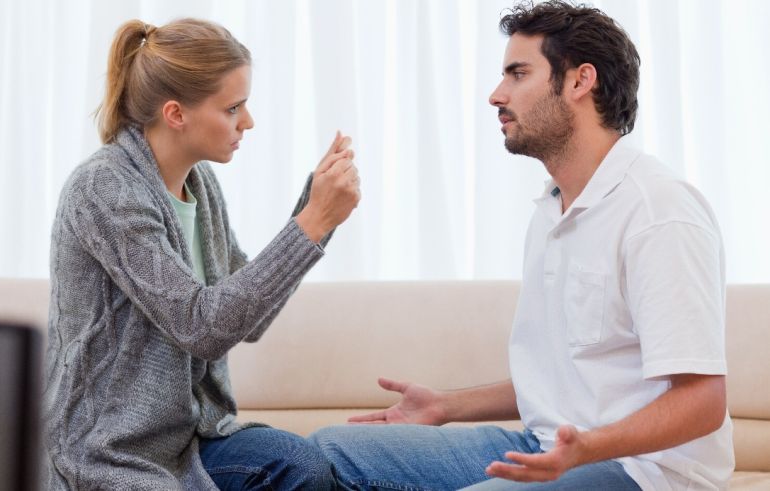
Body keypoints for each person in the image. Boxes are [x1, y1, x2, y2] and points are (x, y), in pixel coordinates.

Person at [308, 1, 733, 490]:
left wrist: (586, 449)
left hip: (646, 471)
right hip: (546, 446)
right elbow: (567, 376)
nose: (496, 94)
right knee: (329, 452)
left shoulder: (658, 212)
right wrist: (447, 405)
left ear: (579, 81)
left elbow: (703, 400)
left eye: (517, 73)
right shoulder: (552, 210)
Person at [43, 18, 360, 490]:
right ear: (176, 114)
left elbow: (246, 320)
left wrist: (317, 216)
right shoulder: (104, 188)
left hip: (192, 437)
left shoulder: (199, 183)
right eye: (233, 107)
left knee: (303, 467)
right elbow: (199, 326)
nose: (247, 122)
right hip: (109, 449)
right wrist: (311, 222)